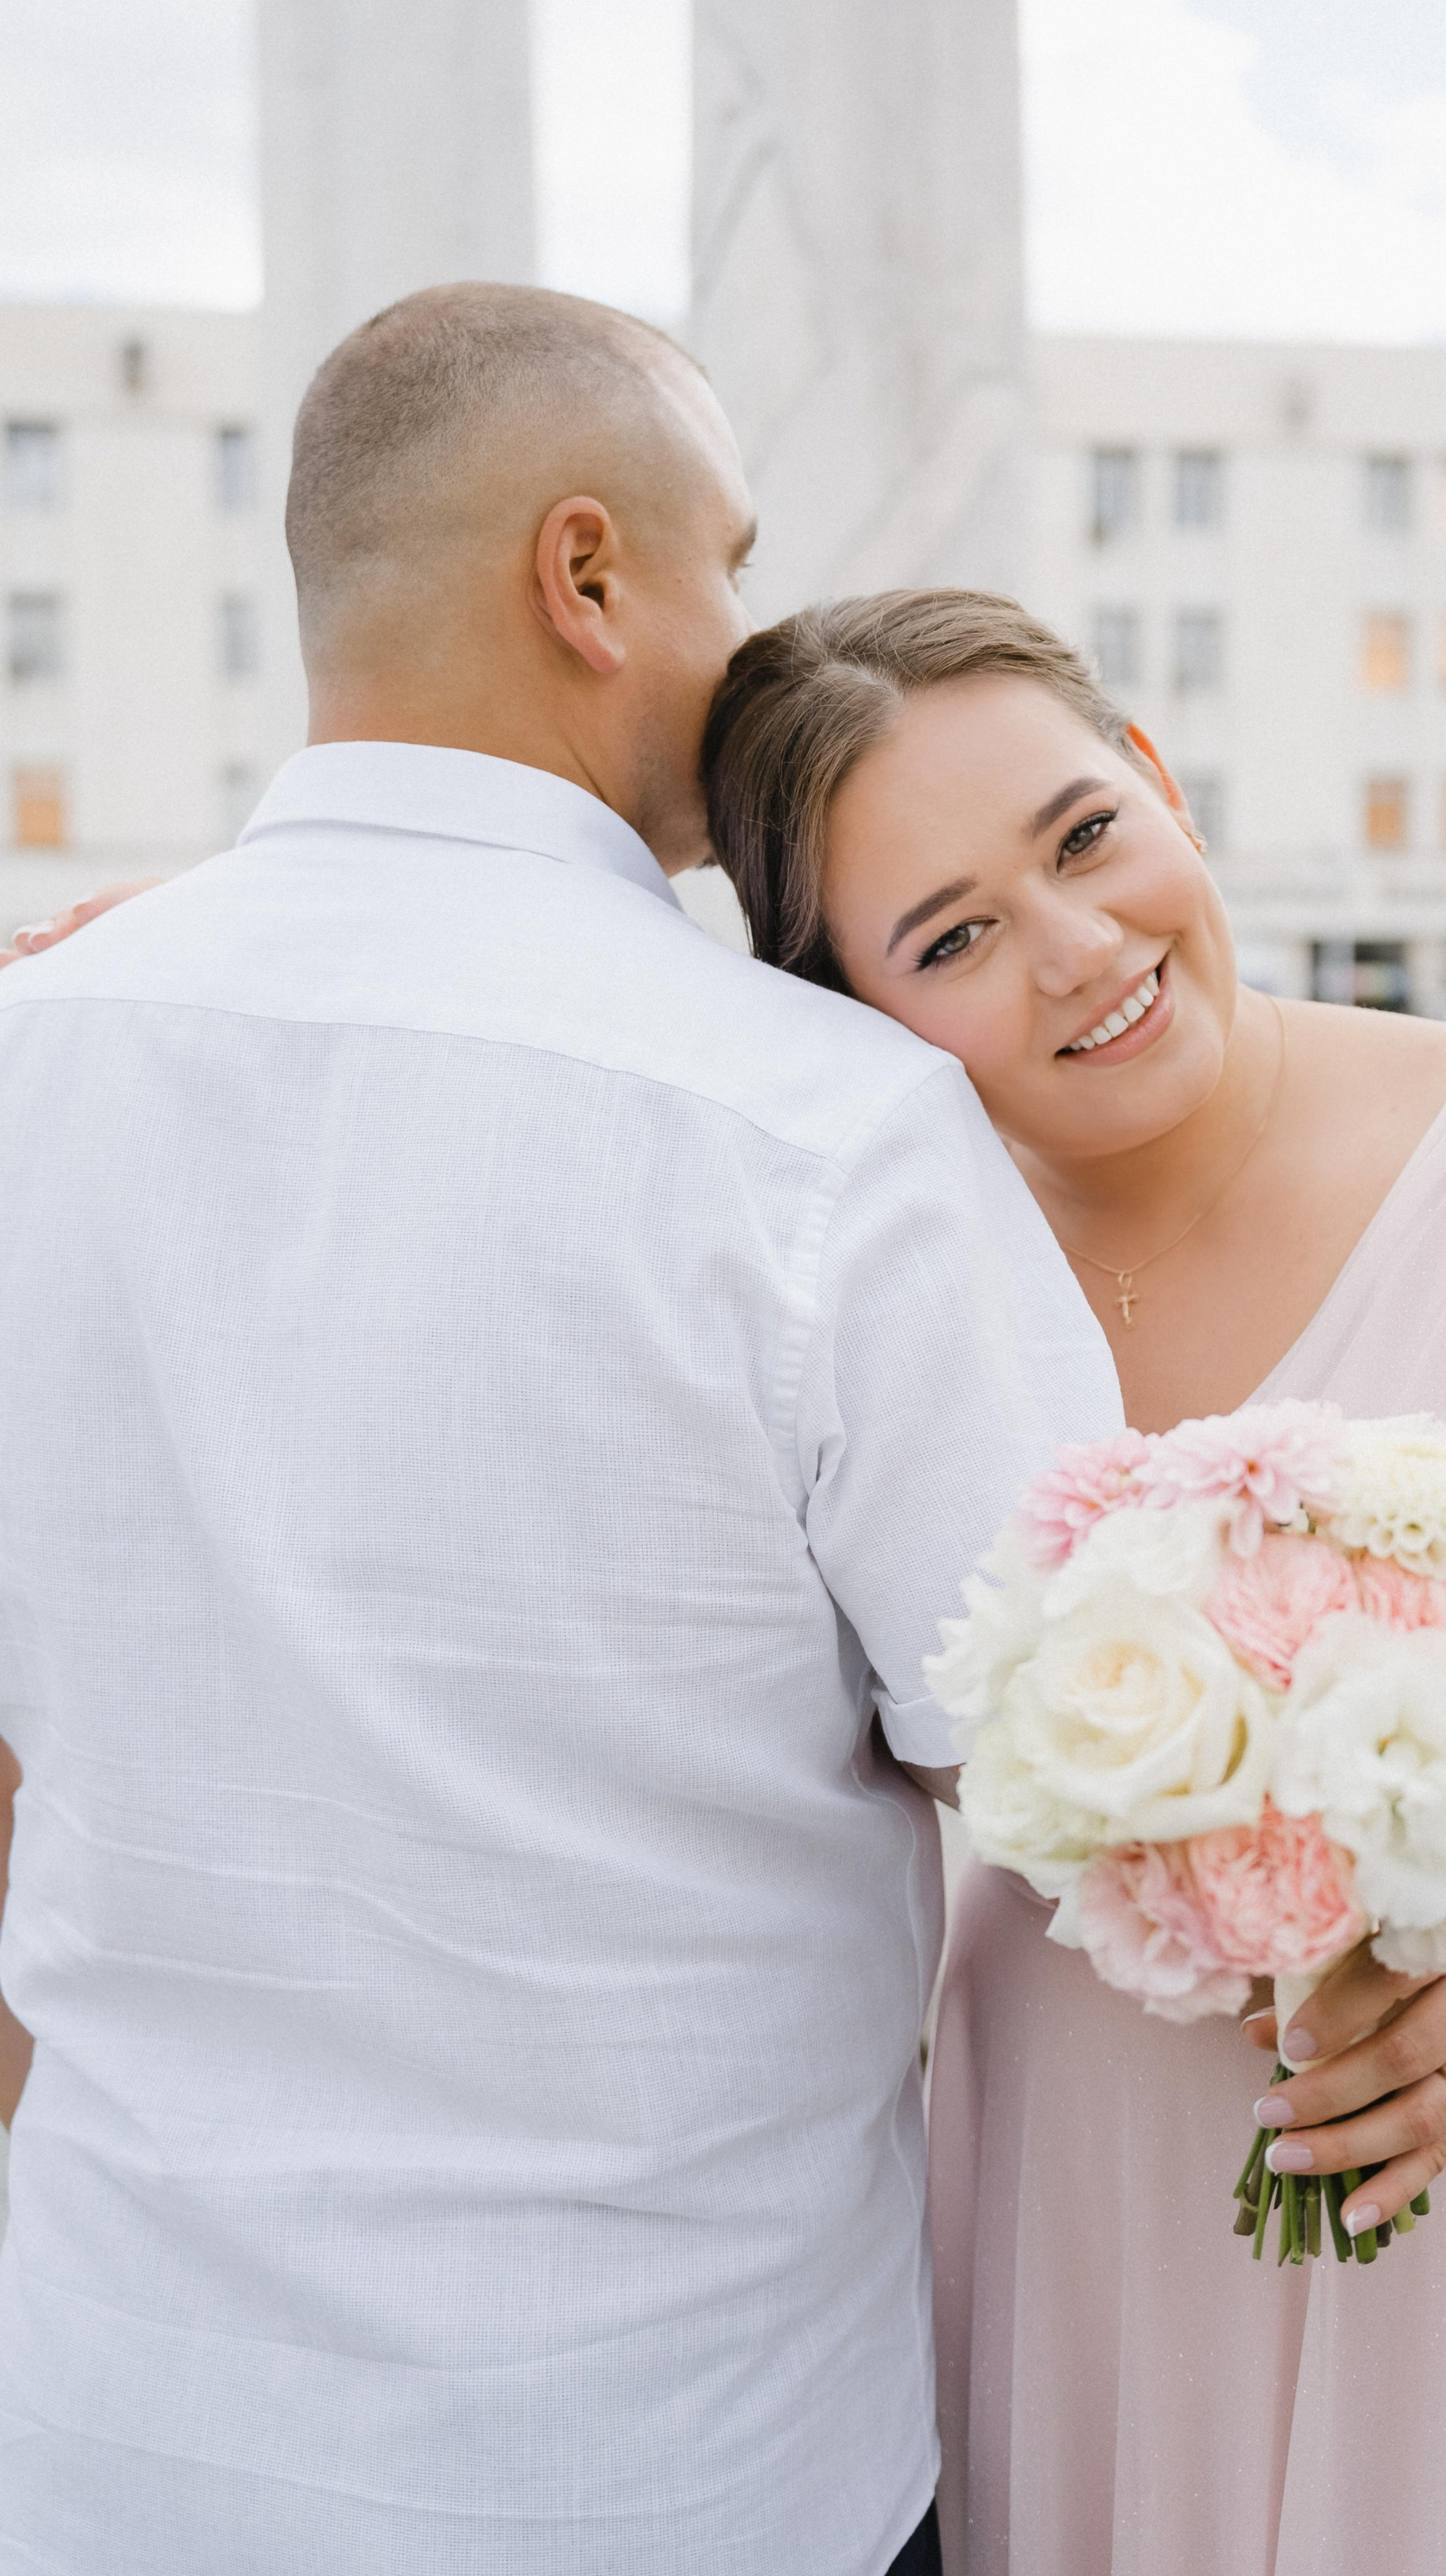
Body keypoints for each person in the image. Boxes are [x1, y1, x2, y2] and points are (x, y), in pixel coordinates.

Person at [0, 295, 1123, 2575]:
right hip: (680, 2464)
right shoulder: (830, 1132)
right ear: (589, 579)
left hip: (113, 2437)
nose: (761, 639)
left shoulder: (35, 1061)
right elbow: (1083, 1768)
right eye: (734, 561)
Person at [696, 588, 1446, 2576]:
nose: (1080, 950)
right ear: (853, 1016)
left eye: (1086, 834)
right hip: (1098, 2255)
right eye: (951, 937)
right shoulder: (867, 1308)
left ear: (1163, 786)